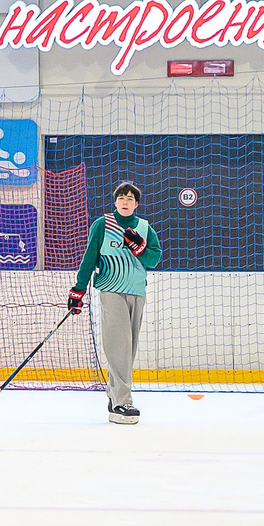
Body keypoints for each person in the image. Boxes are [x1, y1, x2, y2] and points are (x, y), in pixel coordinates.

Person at [67, 180, 162, 426]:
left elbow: (154, 259)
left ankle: (113, 394)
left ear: (136, 204)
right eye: (121, 197)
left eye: (130, 198)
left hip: (137, 291)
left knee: (128, 349)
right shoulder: (103, 224)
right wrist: (78, 289)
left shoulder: (144, 228)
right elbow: (89, 258)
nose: (125, 201)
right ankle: (122, 403)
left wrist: (141, 249)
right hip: (111, 290)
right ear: (115, 201)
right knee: (119, 346)